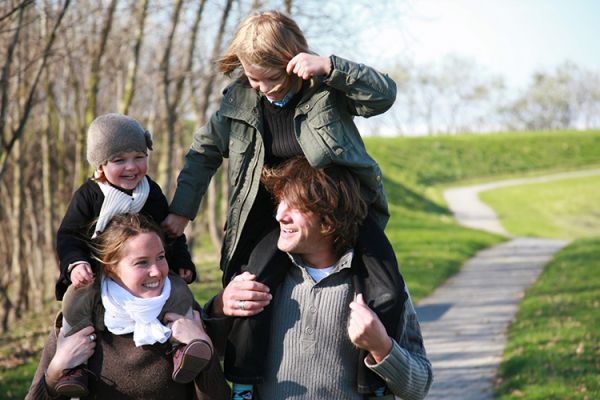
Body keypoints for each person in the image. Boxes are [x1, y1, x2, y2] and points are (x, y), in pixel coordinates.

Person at [162, 10, 399, 394]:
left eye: (270, 78)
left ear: (292, 61)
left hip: (343, 209)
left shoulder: (324, 89)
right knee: (253, 286)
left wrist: (331, 66)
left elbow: (383, 95)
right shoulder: (238, 101)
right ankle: (245, 383)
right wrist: (181, 211)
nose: (262, 88)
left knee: (386, 288)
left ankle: (370, 382)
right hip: (275, 217)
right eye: (253, 78)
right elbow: (203, 152)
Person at [205, 157, 432, 400]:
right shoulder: (259, 279)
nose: (279, 215)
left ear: (328, 220)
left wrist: (382, 347)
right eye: (280, 202)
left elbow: (419, 387)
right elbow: (205, 355)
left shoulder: (379, 287)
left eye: (295, 206)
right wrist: (220, 306)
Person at [53, 113, 198, 395]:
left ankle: (183, 347)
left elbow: (169, 232)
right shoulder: (89, 195)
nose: (131, 167)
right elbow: (68, 235)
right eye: (119, 160)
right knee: (75, 301)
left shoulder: (150, 191)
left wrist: (181, 261)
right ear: (100, 166)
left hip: (144, 271)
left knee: (180, 292)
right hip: (98, 272)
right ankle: (75, 365)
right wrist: (75, 264)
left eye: (139, 156)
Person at [27, 214, 230, 400]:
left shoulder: (183, 312)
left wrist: (204, 345)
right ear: (110, 267)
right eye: (142, 263)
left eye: (160, 257)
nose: (157, 272)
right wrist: (55, 373)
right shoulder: (78, 318)